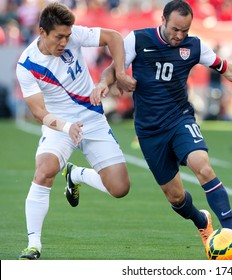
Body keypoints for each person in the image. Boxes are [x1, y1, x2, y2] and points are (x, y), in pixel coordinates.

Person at [91, 0, 232, 258]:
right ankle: (202, 222)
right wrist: (102, 84)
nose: (179, 36)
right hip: (149, 131)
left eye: (184, 31)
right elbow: (112, 71)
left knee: (203, 165)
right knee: (175, 197)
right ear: (163, 20)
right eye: (175, 29)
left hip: (180, 120)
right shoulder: (138, 40)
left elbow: (230, 71)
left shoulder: (195, 46)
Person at [15, 2, 134, 260]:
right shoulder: (27, 65)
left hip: (91, 118)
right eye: (59, 37)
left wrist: (118, 74)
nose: (64, 42)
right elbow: (38, 112)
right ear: (42, 32)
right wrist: (67, 127)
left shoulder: (74, 35)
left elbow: (113, 37)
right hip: (59, 124)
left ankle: (76, 175)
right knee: (45, 170)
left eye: (67, 36)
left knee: (120, 188)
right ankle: (33, 244)